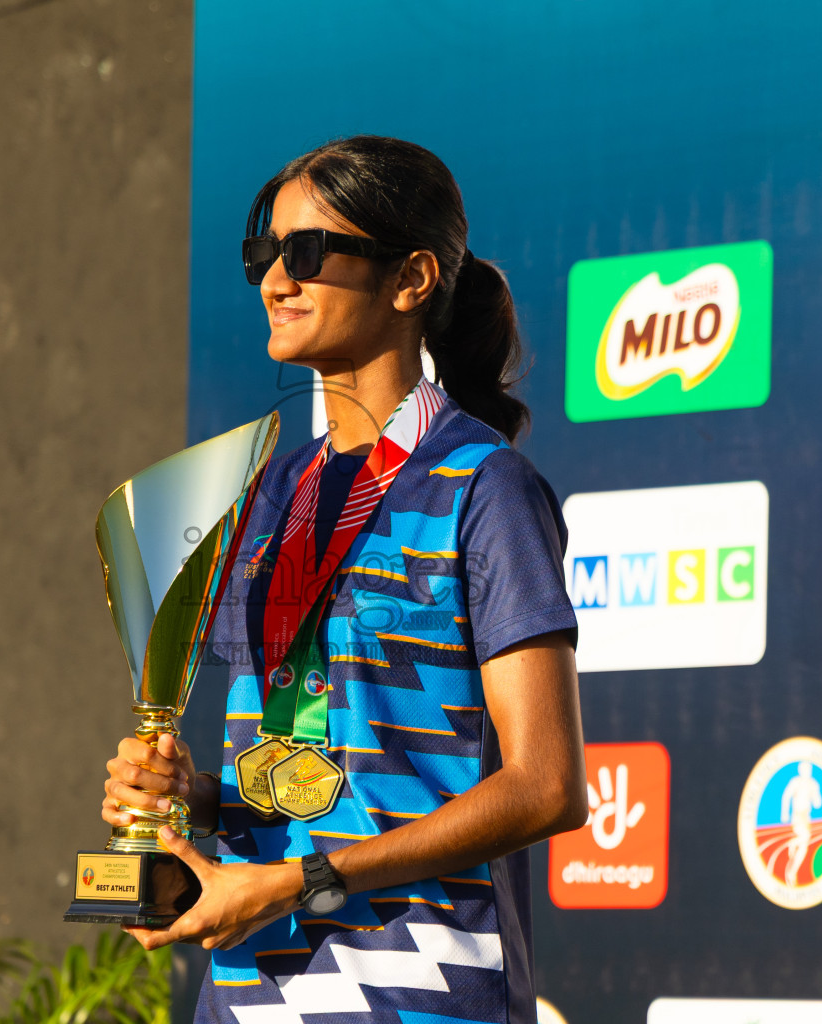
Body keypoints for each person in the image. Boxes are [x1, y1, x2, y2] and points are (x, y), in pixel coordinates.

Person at [100, 135, 588, 1024]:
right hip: (250, 994)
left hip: (418, 995)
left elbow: (546, 785)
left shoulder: (483, 487)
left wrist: (303, 879)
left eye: (307, 253)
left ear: (412, 280)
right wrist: (188, 797)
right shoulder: (268, 493)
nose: (274, 281)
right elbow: (297, 770)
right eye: (264, 254)